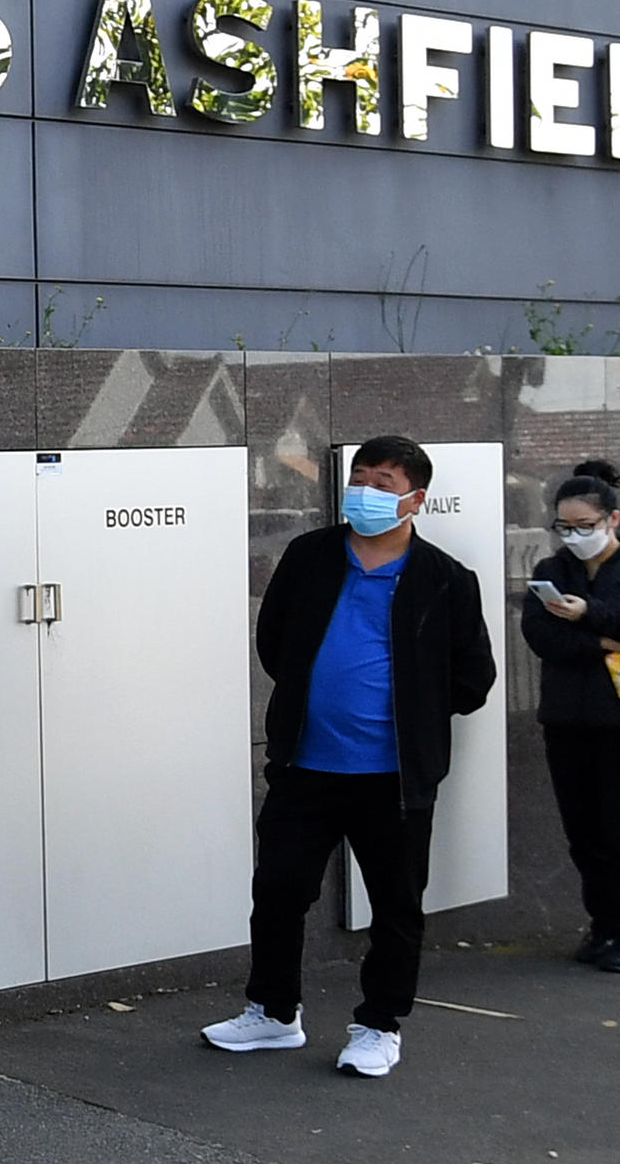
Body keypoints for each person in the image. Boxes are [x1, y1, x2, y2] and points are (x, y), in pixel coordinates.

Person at [207, 436, 498, 1079]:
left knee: (396, 906)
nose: (365, 492)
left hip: (393, 777)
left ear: (416, 500)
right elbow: (274, 640)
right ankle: (273, 1012)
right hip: (305, 765)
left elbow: (473, 678)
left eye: (383, 483)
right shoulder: (310, 555)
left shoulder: (445, 579)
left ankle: (378, 1025)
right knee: (278, 890)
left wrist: (416, 712)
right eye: (359, 478)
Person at [513, 460, 620, 973]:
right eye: (564, 527)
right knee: (583, 834)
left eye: (585, 526)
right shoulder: (551, 570)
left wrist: (590, 614)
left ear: (612, 520)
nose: (574, 536)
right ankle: (603, 925)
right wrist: (604, 643)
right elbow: (542, 637)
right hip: (566, 718)